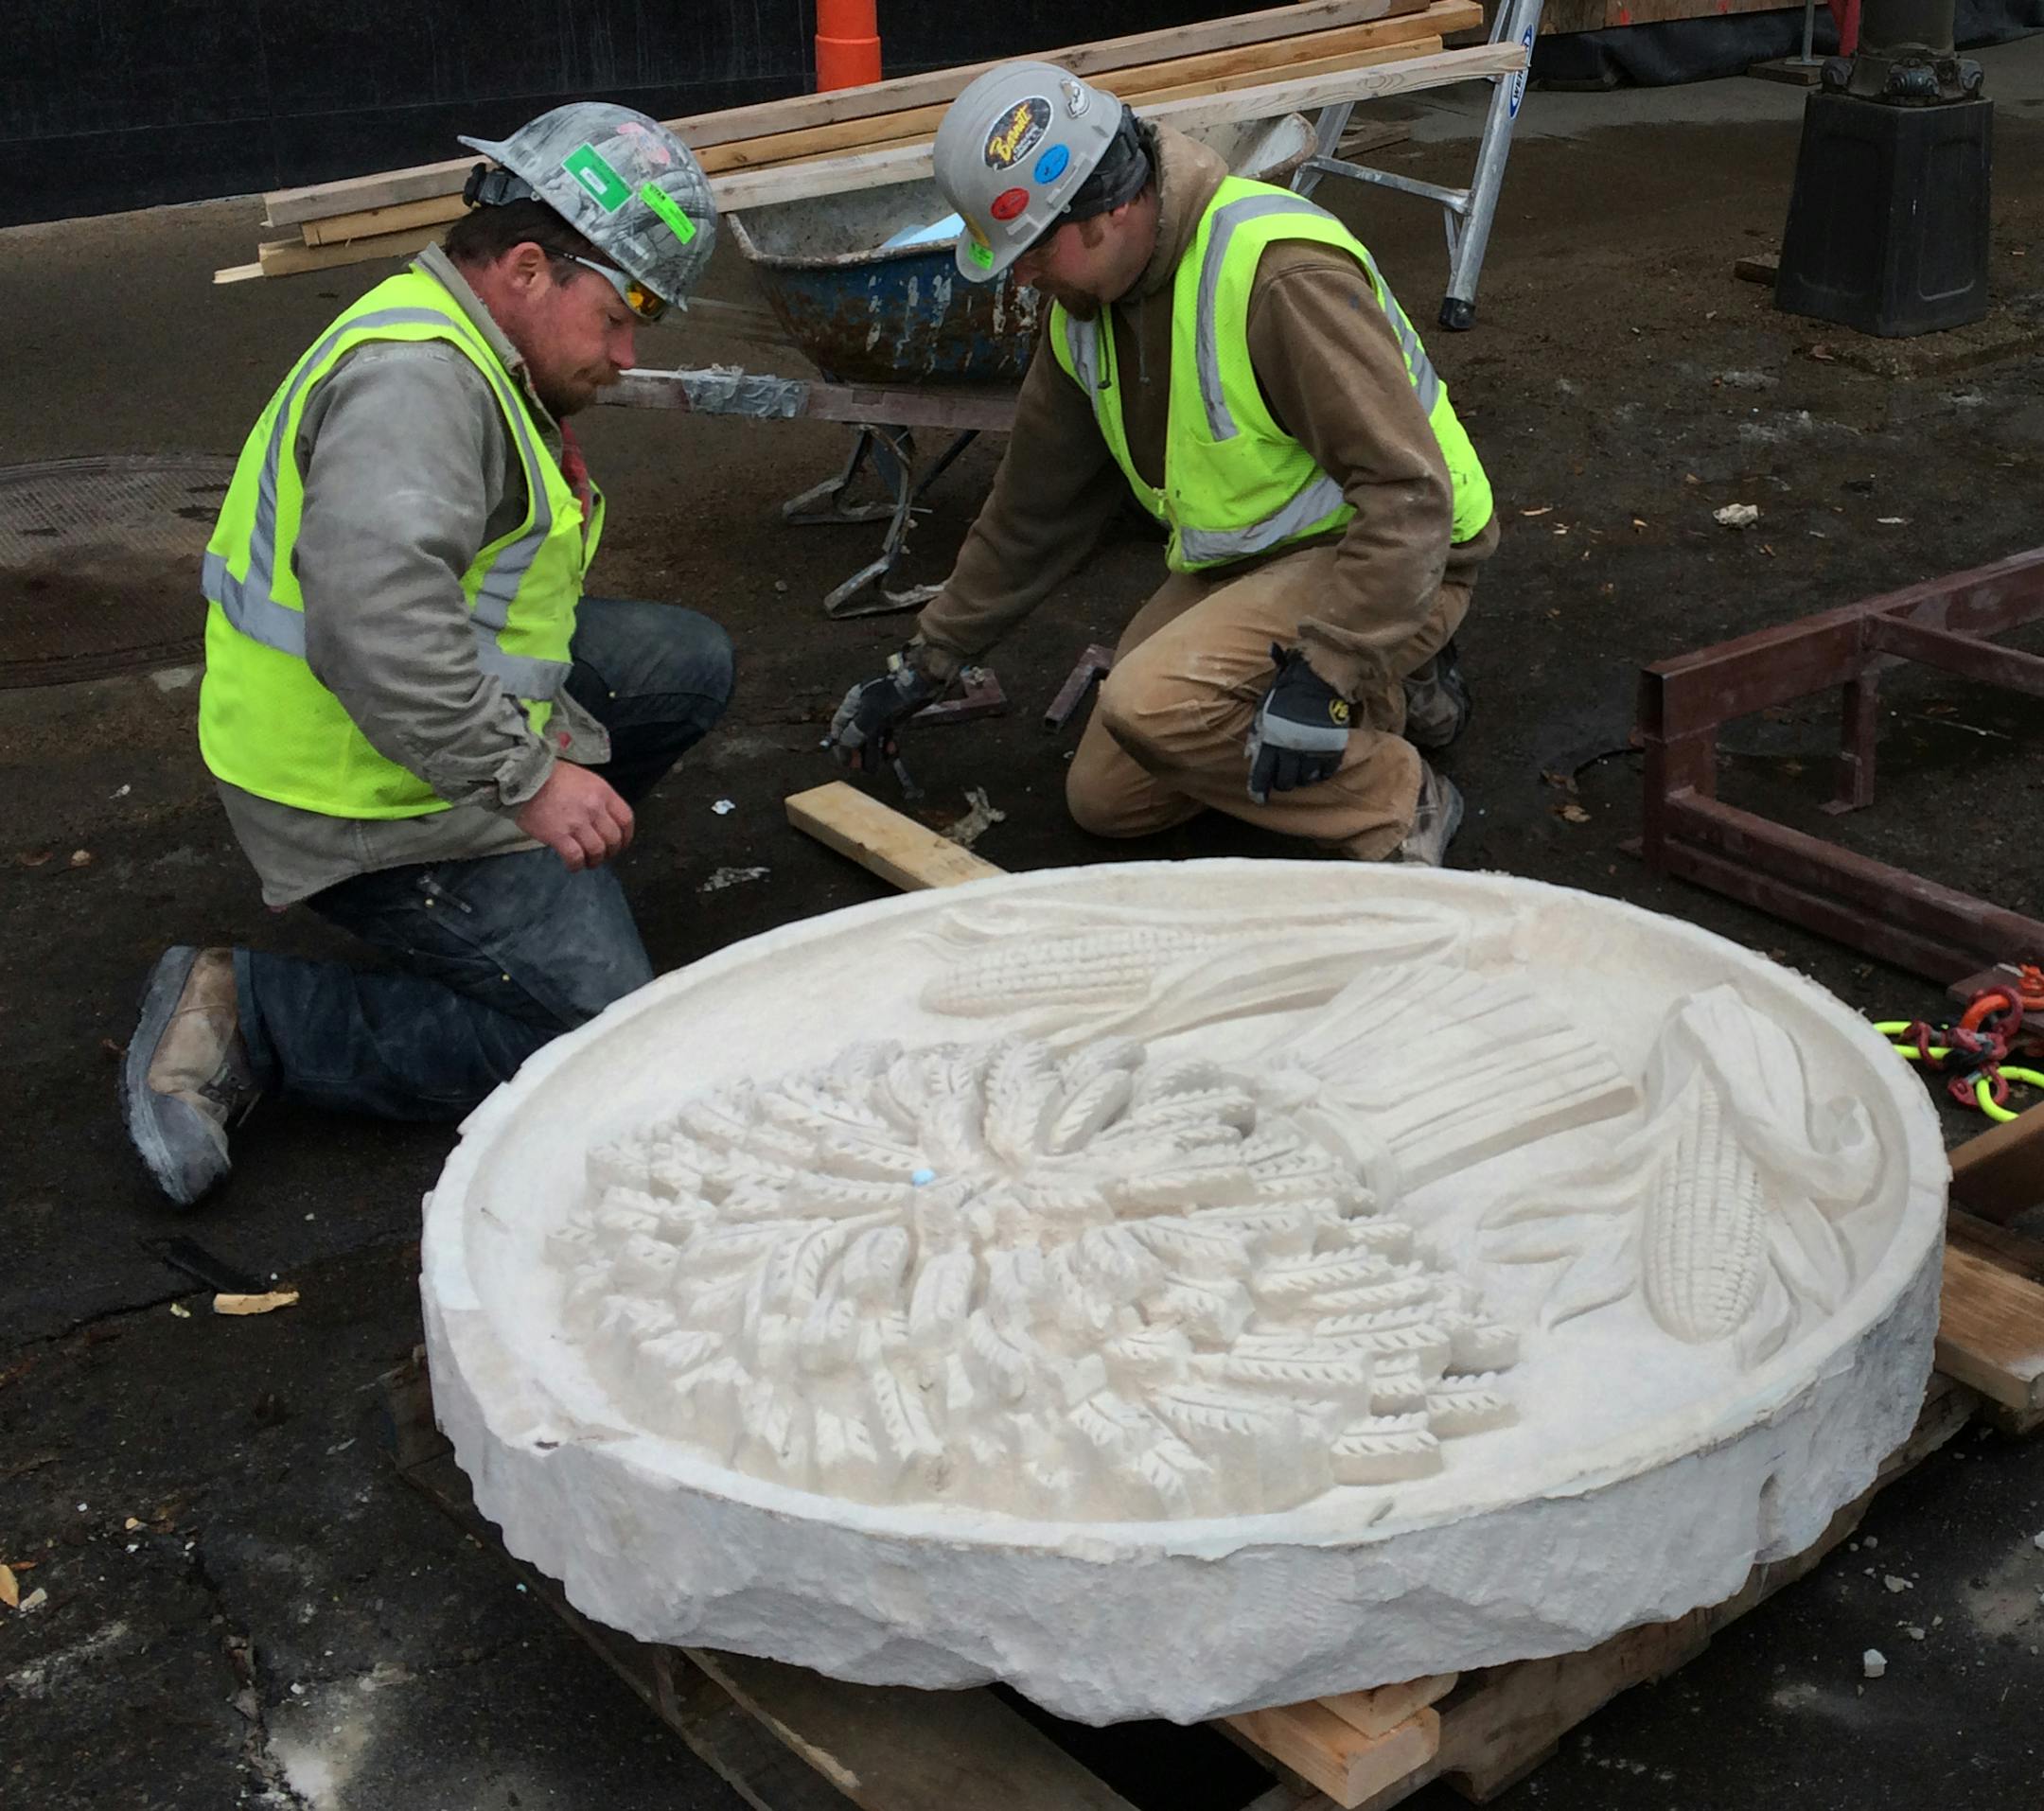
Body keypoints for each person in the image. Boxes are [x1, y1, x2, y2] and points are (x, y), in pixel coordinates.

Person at [122, 103, 733, 1207]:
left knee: (683, 663)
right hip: (356, 790)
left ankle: (516, 902)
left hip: (416, 728)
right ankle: (253, 1014)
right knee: (599, 1044)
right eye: (624, 310)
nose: (630, 351)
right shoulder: (418, 381)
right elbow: (377, 621)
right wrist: (533, 782)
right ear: (534, 268)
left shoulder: (472, 349)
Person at [830, 62, 1498, 864]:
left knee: (1154, 704)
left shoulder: (1276, 274)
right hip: (1257, 561)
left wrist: (1327, 670)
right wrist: (929, 659)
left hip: (1392, 549)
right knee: (1110, 799)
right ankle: (1387, 683)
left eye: (1030, 251)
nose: (1020, 274)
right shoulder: (1083, 310)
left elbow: (1408, 493)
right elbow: (1031, 512)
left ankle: (1400, 798)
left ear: (1109, 210)